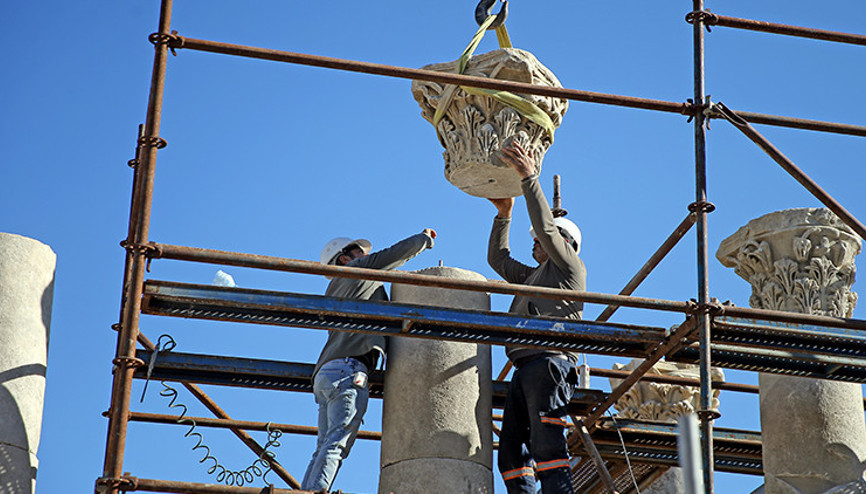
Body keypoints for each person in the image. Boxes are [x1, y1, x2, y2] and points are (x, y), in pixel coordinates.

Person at [301, 229, 436, 492]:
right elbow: (393, 255)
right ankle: (316, 491)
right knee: (336, 444)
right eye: (360, 253)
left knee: (323, 445)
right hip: (348, 370)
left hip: (326, 372)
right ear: (344, 259)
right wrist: (424, 239)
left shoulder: (334, 288)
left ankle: (306, 490)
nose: (366, 256)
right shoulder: (357, 270)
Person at [487, 141, 586, 494]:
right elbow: (498, 260)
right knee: (512, 455)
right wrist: (504, 214)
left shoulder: (569, 268)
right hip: (527, 368)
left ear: (563, 243)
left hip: (549, 363)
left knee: (547, 447)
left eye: (541, 241)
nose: (535, 242)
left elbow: (545, 228)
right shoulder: (534, 277)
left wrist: (529, 178)